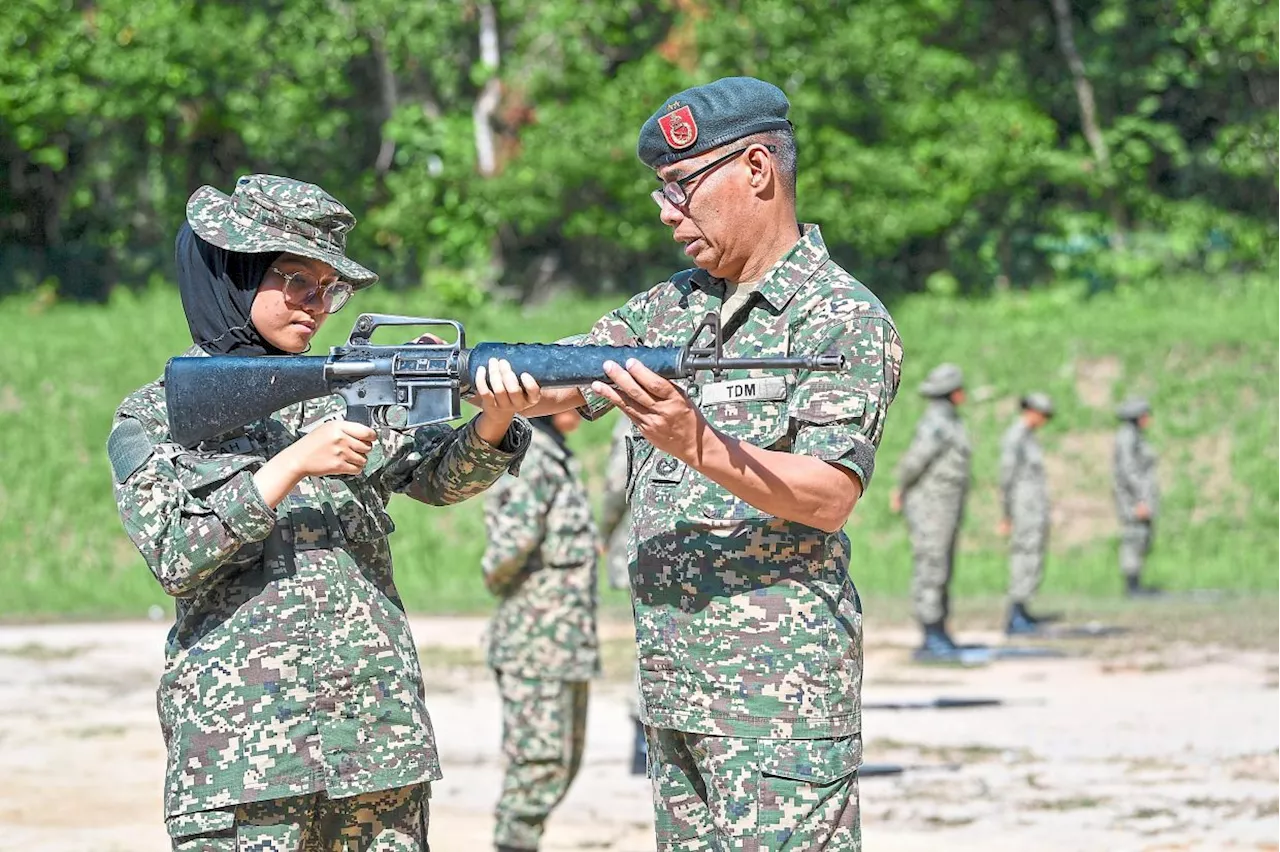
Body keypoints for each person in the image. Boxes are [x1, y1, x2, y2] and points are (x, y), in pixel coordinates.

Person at [106, 174, 540, 852]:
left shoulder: (349, 389)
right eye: (295, 281)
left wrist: (496, 419)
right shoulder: (158, 413)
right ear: (235, 276)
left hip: (375, 745)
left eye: (328, 289)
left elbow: (438, 478)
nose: (316, 304)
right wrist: (290, 465)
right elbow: (175, 554)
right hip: (245, 759)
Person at [526, 76, 902, 850]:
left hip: (778, 703)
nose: (667, 213)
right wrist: (472, 374)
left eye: (682, 189)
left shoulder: (842, 320)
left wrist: (695, 442)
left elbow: (829, 495)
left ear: (757, 171)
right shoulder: (677, 306)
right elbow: (562, 375)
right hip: (674, 689)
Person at [480, 410, 601, 852]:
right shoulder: (535, 460)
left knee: (562, 763)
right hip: (535, 642)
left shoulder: (556, 457)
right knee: (537, 766)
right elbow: (505, 551)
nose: (580, 402)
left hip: (566, 643)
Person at [890, 364, 970, 661]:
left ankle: (940, 627)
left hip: (945, 507)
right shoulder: (937, 422)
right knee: (931, 565)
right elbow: (915, 461)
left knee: (942, 565)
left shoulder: (950, 421)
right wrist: (900, 488)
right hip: (931, 507)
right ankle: (930, 631)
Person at [599, 414, 647, 775]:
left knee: (649, 639)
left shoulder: (634, 406)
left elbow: (618, 480)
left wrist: (605, 529)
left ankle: (643, 743)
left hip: (650, 542)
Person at [998, 393, 1055, 633]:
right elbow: (1007, 477)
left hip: (1033, 509)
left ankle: (1023, 608)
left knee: (1032, 557)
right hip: (1023, 509)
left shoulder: (1029, 438)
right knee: (1023, 557)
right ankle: (1015, 614)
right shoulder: (1017, 436)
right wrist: (1007, 513)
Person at [1114, 396, 1160, 596]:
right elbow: (1128, 471)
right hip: (1133, 499)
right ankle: (1132, 585)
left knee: (1142, 538)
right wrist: (1140, 500)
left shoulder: (1135, 436)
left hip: (1140, 496)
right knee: (1134, 537)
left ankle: (1136, 582)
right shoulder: (1127, 437)